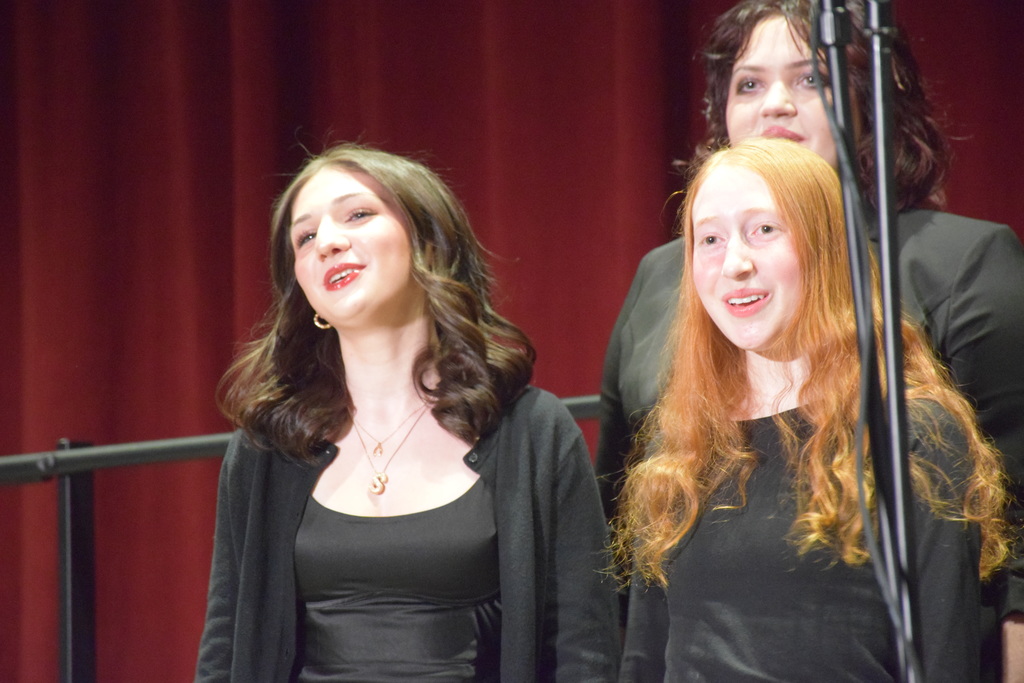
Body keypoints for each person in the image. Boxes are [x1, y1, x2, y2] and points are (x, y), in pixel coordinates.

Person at [595, 0, 1024, 676]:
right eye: (750, 83)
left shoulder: (959, 266)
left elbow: (1005, 537)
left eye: (810, 79)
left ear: (869, 97)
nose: (776, 106)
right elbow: (634, 524)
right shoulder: (664, 277)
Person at [194, 143, 619, 681]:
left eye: (358, 214)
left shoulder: (532, 431)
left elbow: (584, 648)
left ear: (429, 244)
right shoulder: (266, 449)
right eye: (304, 237)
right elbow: (225, 646)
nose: (327, 241)